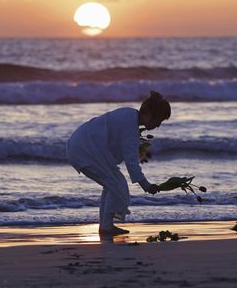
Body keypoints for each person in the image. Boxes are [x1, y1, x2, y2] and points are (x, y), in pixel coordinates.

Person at [66, 91, 171, 236]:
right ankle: (106, 226)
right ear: (147, 114)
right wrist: (146, 185)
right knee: (117, 185)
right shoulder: (130, 125)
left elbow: (121, 144)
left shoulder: (129, 116)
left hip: (83, 148)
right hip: (85, 150)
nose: (158, 125)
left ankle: (105, 225)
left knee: (113, 184)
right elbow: (131, 162)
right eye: (158, 120)